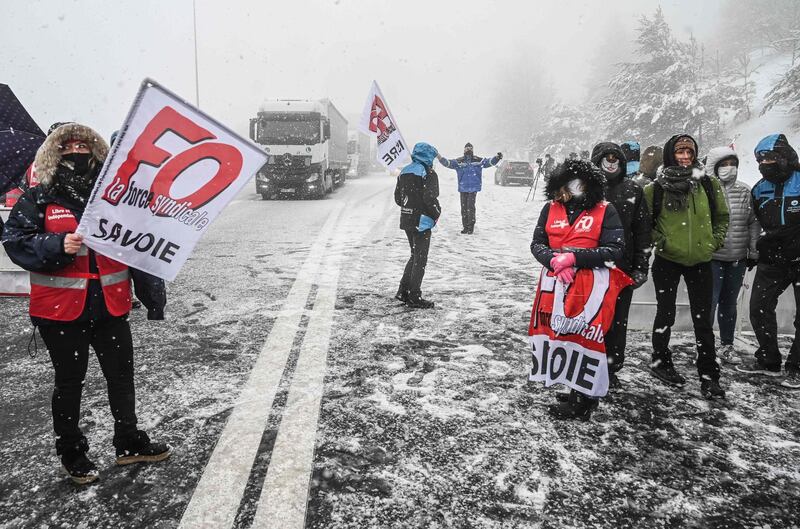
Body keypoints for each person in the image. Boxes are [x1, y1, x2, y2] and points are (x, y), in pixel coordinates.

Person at [1, 123, 170, 484]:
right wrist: (55, 246)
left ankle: (128, 442)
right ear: (54, 153)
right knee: (69, 382)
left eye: (83, 145)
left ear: (97, 153)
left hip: (111, 307)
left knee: (122, 378)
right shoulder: (39, 197)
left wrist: (153, 298)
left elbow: (138, 250)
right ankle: (72, 452)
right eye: (67, 146)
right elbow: (14, 242)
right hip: (60, 311)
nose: (76, 151)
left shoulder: (114, 198)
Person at [531, 159, 625, 419]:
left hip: (590, 286)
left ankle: (583, 399)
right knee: (562, 337)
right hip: (556, 284)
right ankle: (574, 387)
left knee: (586, 339)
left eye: (580, 183)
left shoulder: (605, 210)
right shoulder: (550, 208)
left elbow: (615, 250)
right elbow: (537, 243)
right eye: (569, 183)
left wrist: (575, 259)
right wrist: (553, 260)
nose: (573, 188)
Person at [644, 134, 729, 399]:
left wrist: (713, 242)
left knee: (703, 320)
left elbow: (722, 217)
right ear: (671, 155)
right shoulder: (656, 188)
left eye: (689, 152)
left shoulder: (707, 183)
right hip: (667, 261)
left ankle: (708, 374)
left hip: (701, 261)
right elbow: (646, 223)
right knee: (665, 314)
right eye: (680, 152)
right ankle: (660, 361)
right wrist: (663, 242)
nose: (685, 157)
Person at [738, 134, 800, 389]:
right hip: (772, 260)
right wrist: (757, 247)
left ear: (785, 157)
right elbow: (756, 224)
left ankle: (796, 368)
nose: (766, 162)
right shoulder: (759, 188)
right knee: (759, 308)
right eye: (761, 159)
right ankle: (769, 359)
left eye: (771, 157)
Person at [591, 142, 652, 386]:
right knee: (588, 320)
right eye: (606, 157)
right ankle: (583, 364)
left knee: (617, 322)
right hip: (588, 267)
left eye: (616, 157)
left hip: (620, 269)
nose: (611, 161)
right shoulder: (584, 188)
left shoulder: (633, 190)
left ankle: (611, 368)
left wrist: (641, 265)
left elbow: (643, 231)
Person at [705, 146, 760, 365]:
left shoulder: (745, 191)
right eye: (724, 165)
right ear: (715, 168)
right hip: (712, 258)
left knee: (729, 303)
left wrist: (753, 249)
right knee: (709, 303)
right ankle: (704, 345)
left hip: (737, 258)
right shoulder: (705, 191)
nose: (730, 169)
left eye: (733, 165)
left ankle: (726, 344)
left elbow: (753, 222)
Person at [394, 142, 441, 308]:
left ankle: (403, 290)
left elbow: (398, 199)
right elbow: (430, 198)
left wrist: (410, 206)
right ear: (428, 156)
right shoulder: (429, 173)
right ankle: (414, 296)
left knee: (414, 256)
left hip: (407, 220)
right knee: (420, 259)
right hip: (422, 221)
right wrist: (436, 213)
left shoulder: (404, 171)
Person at [436, 143, 502, 234]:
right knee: (464, 208)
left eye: (470, 148)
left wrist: (497, 158)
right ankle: (465, 227)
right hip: (463, 188)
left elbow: (489, 162)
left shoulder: (478, 160)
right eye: (467, 148)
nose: (468, 150)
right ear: (464, 150)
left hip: (473, 188)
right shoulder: (459, 161)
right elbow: (448, 163)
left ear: (472, 150)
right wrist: (439, 157)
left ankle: (471, 227)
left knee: (470, 207)